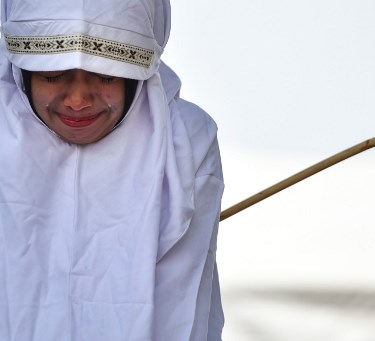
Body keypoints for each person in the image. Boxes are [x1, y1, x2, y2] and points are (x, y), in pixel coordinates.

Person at [0, 0, 224, 340]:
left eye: (105, 74)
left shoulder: (184, 142)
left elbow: (181, 307)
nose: (77, 100)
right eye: (52, 74)